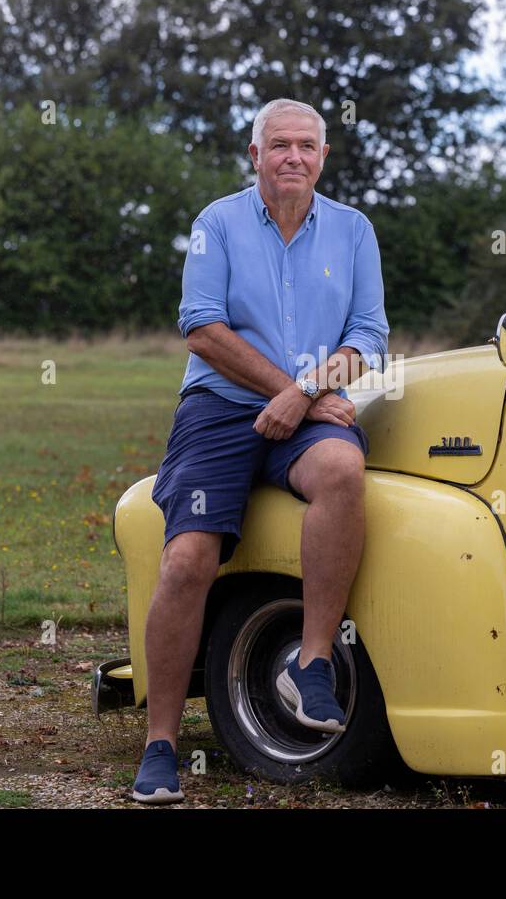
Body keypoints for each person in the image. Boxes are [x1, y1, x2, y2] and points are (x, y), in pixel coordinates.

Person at [131, 98, 390, 804]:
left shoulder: (354, 230)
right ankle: (160, 743)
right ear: (255, 155)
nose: (294, 157)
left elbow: (369, 336)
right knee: (187, 561)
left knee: (341, 466)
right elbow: (201, 328)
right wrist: (293, 390)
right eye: (280, 145)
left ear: (324, 156)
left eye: (307, 145)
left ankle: (309, 664)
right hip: (220, 406)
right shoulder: (216, 224)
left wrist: (303, 393)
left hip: (303, 406)